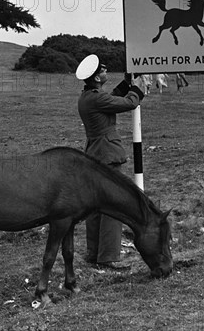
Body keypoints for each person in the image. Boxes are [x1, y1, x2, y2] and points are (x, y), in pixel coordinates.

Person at [76, 54, 146, 270]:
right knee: (113, 206)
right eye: (103, 70)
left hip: (95, 155)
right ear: (97, 79)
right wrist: (138, 88)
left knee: (96, 206)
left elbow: (113, 98)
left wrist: (126, 83)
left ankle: (94, 253)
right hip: (107, 154)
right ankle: (108, 257)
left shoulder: (88, 96)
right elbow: (128, 103)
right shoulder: (97, 98)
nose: (106, 72)